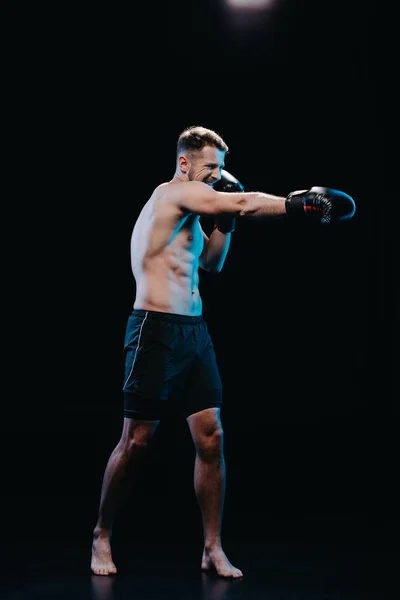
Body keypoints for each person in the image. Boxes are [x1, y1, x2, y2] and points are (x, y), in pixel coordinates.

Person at [90, 125, 355, 579]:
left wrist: (225, 225)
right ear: (185, 164)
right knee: (136, 442)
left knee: (211, 437)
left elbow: (212, 262)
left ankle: (212, 548)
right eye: (209, 168)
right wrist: (298, 203)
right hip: (154, 331)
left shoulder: (193, 212)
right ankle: (101, 534)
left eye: (219, 168)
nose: (216, 176)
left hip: (194, 332)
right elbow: (243, 201)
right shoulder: (170, 195)